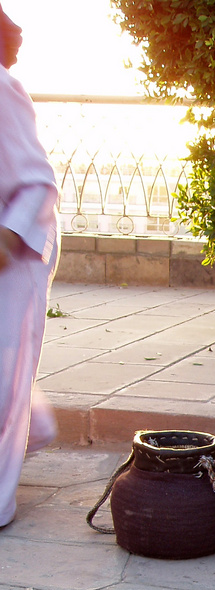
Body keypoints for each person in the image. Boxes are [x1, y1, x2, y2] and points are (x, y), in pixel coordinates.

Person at [0, 4, 59, 527]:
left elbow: (41, 181)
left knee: (4, 372)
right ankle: (33, 428)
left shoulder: (1, 88)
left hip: (12, 253)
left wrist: (6, 236)